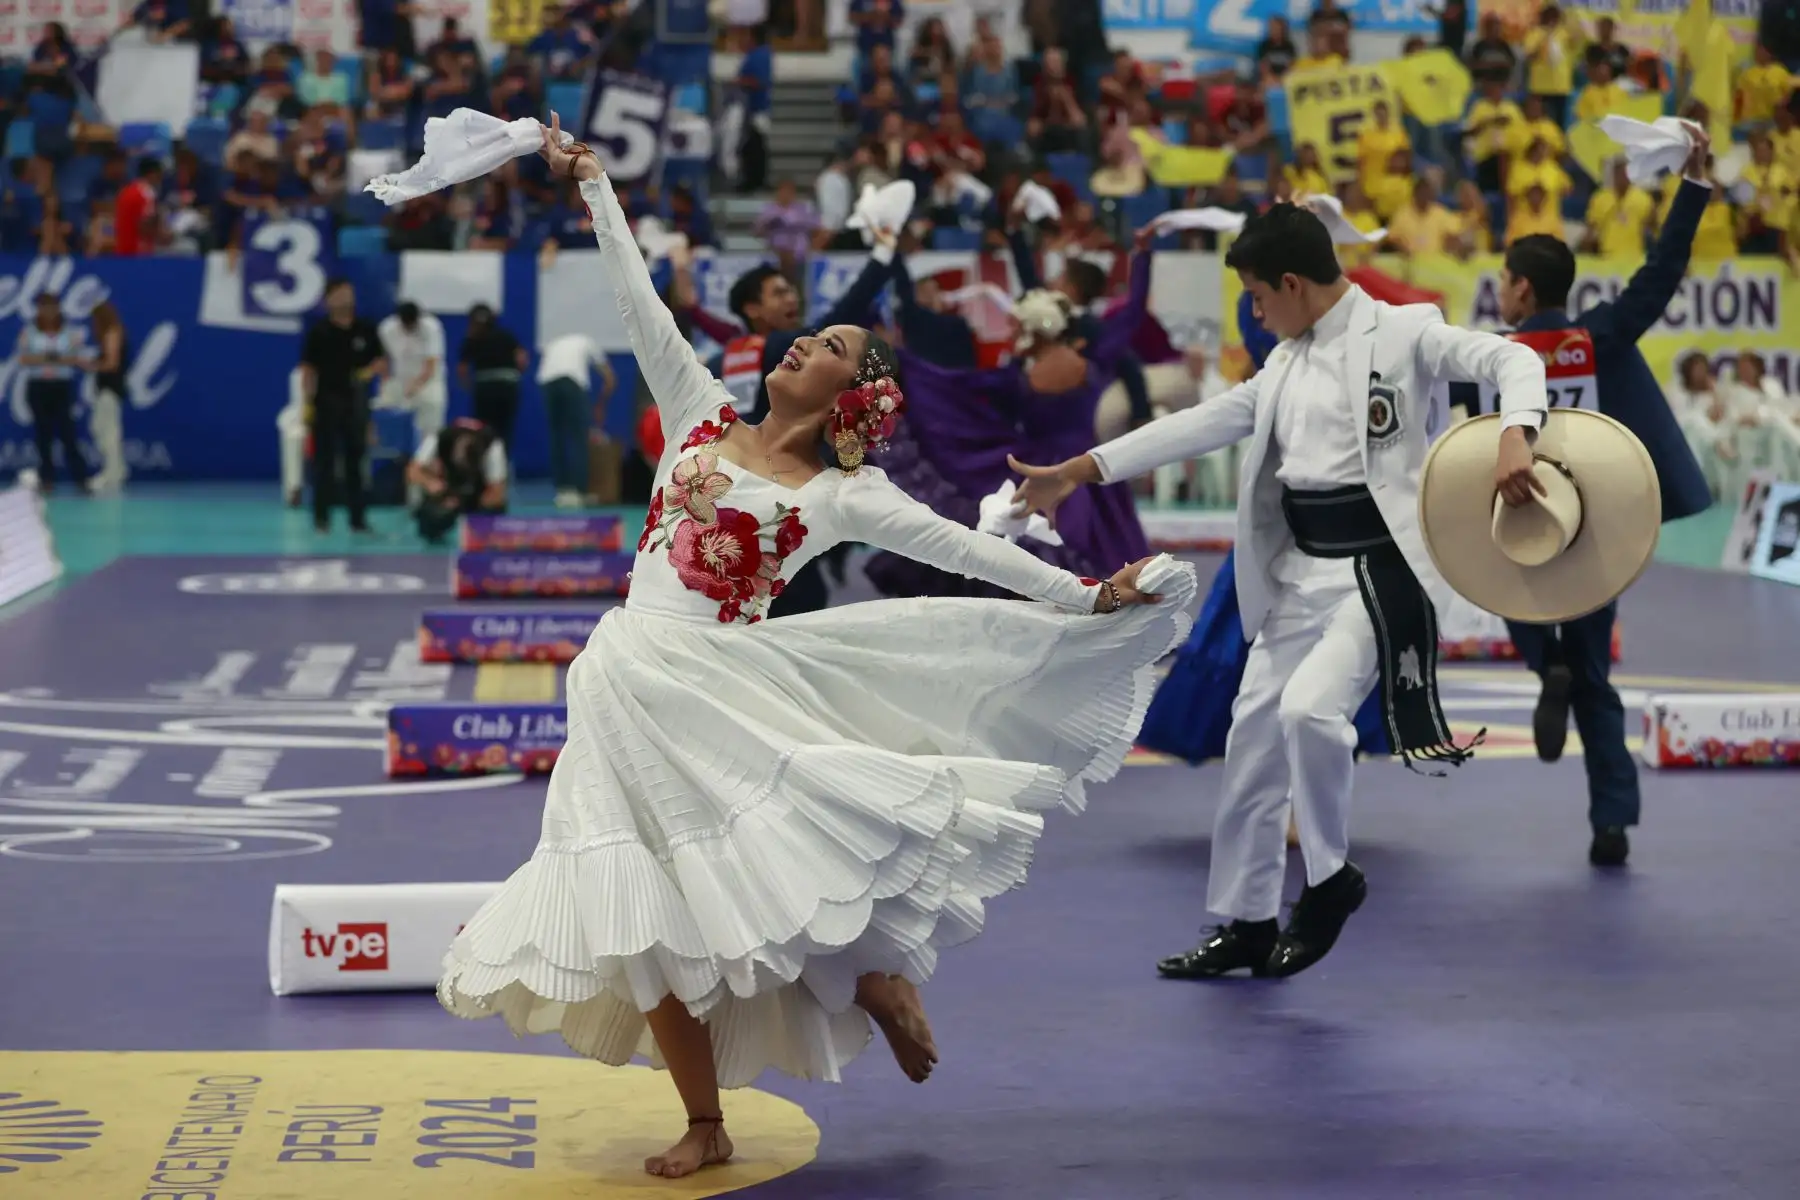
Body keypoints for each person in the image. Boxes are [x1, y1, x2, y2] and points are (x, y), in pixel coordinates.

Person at [440, 120, 1193, 1181]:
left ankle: (868, 976)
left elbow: (973, 557)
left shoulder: (845, 495)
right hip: (616, 685)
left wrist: (1083, 595)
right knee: (642, 915)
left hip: (711, 688)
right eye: (810, 334)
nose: (803, 342)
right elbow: (636, 300)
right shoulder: (697, 416)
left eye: (832, 347)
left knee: (773, 862)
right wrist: (598, 187)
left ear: (854, 400)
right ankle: (711, 1114)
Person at [1012, 202, 1548, 980]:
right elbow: (1197, 425)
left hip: (1382, 570)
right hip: (1301, 575)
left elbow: (1513, 363)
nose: (1255, 314)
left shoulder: (1404, 330)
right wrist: (1078, 469)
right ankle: (1248, 921)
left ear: (1293, 284)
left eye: (1258, 297)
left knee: (1312, 712)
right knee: (1253, 745)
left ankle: (1331, 882)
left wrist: (1514, 431)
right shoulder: (1284, 364)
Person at [1493, 128, 1714, 868]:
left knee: (1507, 595)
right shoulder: (1603, 336)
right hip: (1594, 529)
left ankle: (1537, 658)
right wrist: (1692, 190)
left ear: (1522, 290)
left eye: (1503, 278)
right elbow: (1662, 272)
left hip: (1524, 524)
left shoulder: (1494, 356)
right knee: (1596, 677)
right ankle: (1612, 823)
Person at [864, 234, 1155, 600]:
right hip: (1090, 469)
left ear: (1034, 330)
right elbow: (1132, 315)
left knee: (1020, 542)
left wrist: (902, 361)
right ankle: (1113, 604)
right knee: (1102, 549)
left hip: (1040, 470)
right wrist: (1142, 260)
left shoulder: (1020, 377)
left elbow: (954, 386)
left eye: (1017, 328)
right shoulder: (1093, 358)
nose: (1012, 333)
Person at [677, 233, 895, 617]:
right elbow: (848, 310)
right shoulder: (783, 345)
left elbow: (702, 318)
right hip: (787, 495)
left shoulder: (733, 349)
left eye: (791, 291)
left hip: (735, 492)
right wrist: (882, 254)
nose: (792, 299)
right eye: (779, 293)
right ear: (753, 309)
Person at [299, 278, 386, 534]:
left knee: (355, 462)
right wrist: (307, 405)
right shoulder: (319, 331)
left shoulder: (366, 328)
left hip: (355, 402)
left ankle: (357, 520)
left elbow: (380, 362)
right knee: (325, 463)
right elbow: (307, 369)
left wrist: (366, 374)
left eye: (348, 293)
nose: (344, 299)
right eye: (338, 295)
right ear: (327, 300)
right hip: (326, 401)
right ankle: (321, 518)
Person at [16, 292, 88, 494]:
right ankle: (47, 479)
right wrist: (54, 358)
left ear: (58, 309)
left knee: (68, 433)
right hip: (39, 386)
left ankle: (81, 479)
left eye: (52, 307)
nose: (48, 312)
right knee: (43, 434)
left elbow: (74, 358)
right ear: (38, 310)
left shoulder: (69, 332)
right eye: (44, 307)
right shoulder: (29, 332)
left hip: (61, 386)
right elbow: (24, 359)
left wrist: (45, 358)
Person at [538, 330, 615, 507]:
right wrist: (601, 405)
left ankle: (562, 491)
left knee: (557, 436)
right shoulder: (588, 341)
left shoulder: (554, 343)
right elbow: (610, 378)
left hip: (547, 383)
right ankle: (579, 491)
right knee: (579, 437)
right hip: (571, 381)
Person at [409, 417, 507, 543]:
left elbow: (497, 492)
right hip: (447, 490)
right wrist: (430, 483)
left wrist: (474, 507)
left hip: (477, 495)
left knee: (493, 514)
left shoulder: (493, 446)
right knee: (431, 517)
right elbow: (412, 471)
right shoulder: (438, 438)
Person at [377, 301, 449, 453]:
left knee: (431, 428)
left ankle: (427, 463)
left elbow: (431, 364)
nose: (409, 328)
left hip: (430, 381)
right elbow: (384, 359)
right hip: (400, 379)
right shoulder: (386, 328)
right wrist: (385, 382)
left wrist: (416, 385)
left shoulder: (431, 327)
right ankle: (398, 461)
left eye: (413, 325)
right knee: (390, 420)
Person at [457, 304, 528, 454]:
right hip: (507, 386)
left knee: (482, 429)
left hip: (484, 389)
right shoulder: (506, 335)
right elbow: (522, 359)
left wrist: (469, 386)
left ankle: (484, 467)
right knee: (505, 430)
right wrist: (515, 376)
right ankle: (502, 468)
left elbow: (462, 370)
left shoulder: (472, 339)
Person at [86, 300, 130, 493]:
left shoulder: (112, 332)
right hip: (108, 389)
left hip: (109, 389)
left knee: (108, 431)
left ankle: (112, 473)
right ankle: (117, 468)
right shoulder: (113, 332)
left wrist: (91, 365)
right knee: (102, 428)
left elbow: (112, 364)